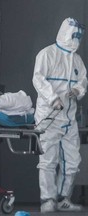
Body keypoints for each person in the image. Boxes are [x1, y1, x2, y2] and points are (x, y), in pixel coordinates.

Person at [32, 17, 87, 213]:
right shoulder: (47, 54)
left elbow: (83, 79)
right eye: (75, 35)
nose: (77, 39)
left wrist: (78, 91)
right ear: (65, 32)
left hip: (69, 118)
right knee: (48, 160)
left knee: (72, 161)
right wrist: (52, 98)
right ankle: (48, 199)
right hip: (49, 117)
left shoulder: (77, 59)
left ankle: (64, 198)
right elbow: (38, 79)